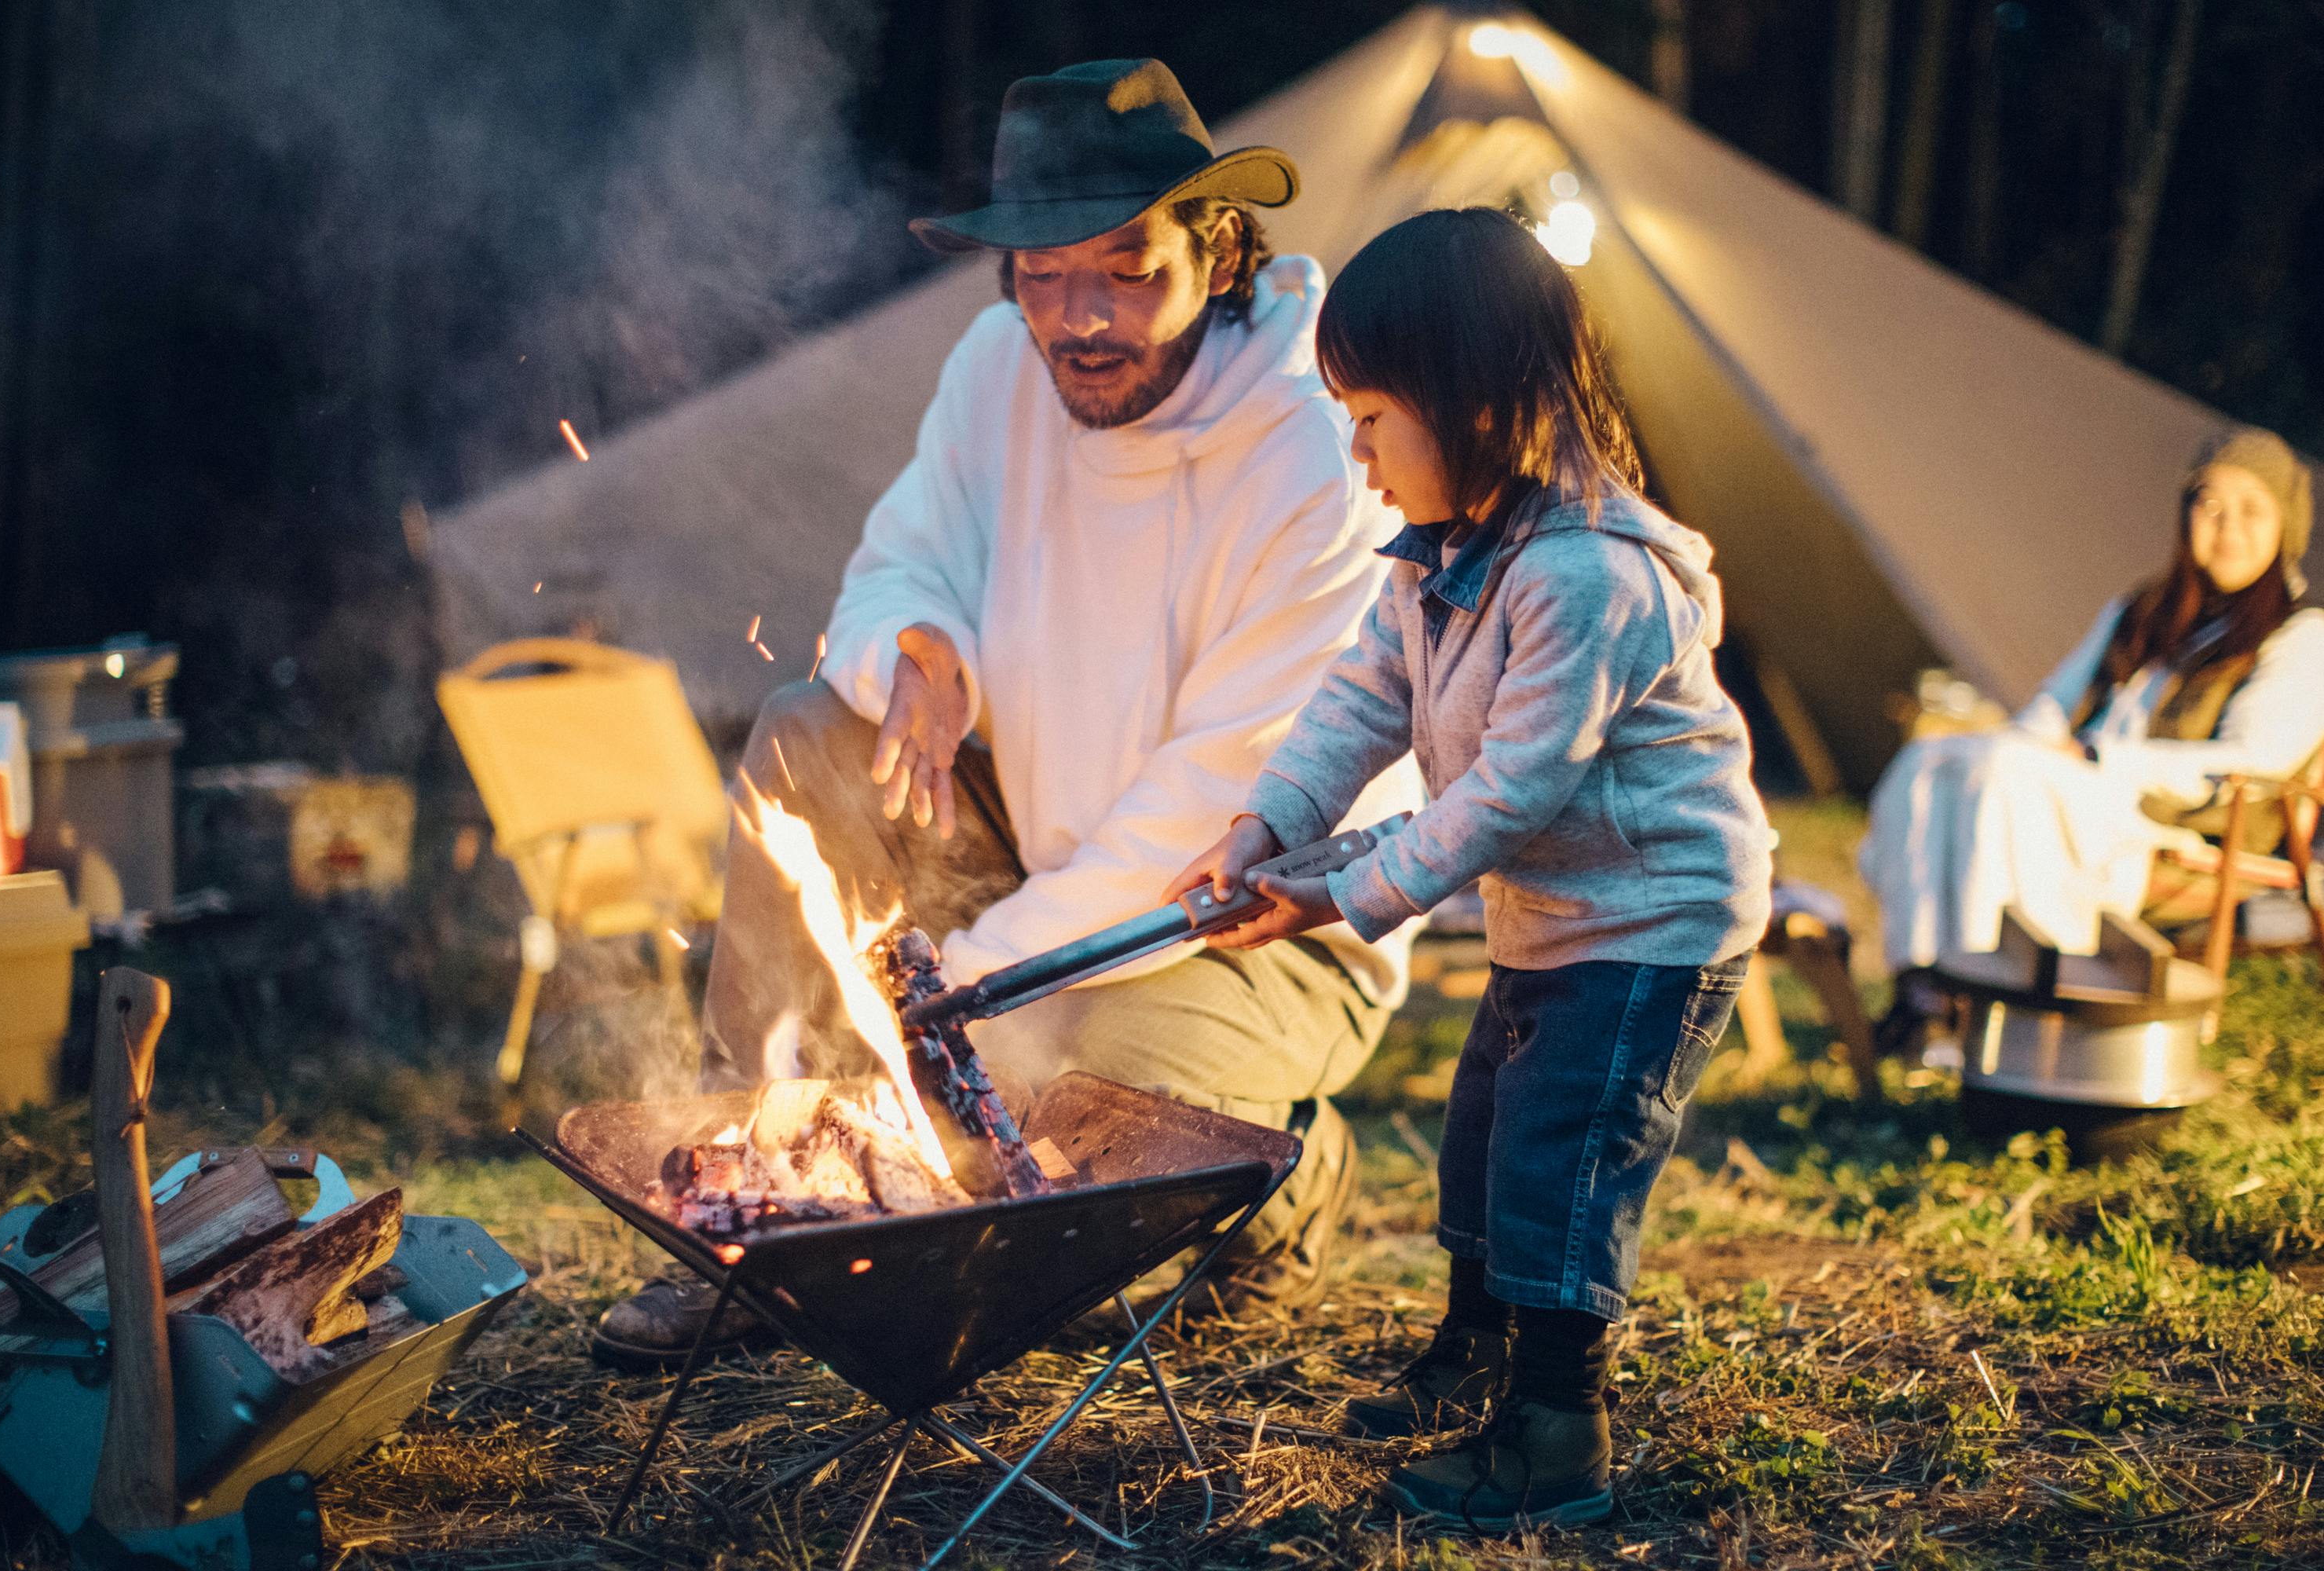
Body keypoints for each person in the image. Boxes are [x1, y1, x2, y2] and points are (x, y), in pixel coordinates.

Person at [589, 60, 1421, 1372]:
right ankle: (756, 1216)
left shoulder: (1311, 448)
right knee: (810, 733)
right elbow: (901, 560)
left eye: (1126, 268)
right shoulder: (997, 367)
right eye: (1044, 273)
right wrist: (918, 648)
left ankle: (1294, 1168)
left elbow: (1219, 798)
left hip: (1247, 920)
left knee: (1065, 1124)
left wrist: (960, 998)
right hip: (1039, 862)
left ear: (1214, 246)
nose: (1083, 318)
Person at [1168, 208, 1773, 1530]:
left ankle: (1559, 1432)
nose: (1358, 449)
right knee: (1484, 1142)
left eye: (1375, 416)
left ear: (1478, 403)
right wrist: (1270, 824)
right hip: (1554, 916)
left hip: (1652, 926)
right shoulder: (1439, 560)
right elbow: (1358, 701)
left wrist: (1336, 890)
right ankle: (1475, 1355)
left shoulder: (1591, 581)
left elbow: (1508, 791)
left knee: (1558, 1159)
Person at [1860, 427, 2322, 1041]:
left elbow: (2252, 759)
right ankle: (1924, 985)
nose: (2227, 526)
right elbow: (2054, 705)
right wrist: (2017, 746)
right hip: (2081, 790)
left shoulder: (2299, 636)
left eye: (2251, 509)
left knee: (2009, 776)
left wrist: (2098, 757)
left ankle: (1990, 998)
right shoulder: (2142, 612)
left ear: (2285, 526)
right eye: (2209, 504)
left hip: (2178, 825)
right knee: (1936, 760)